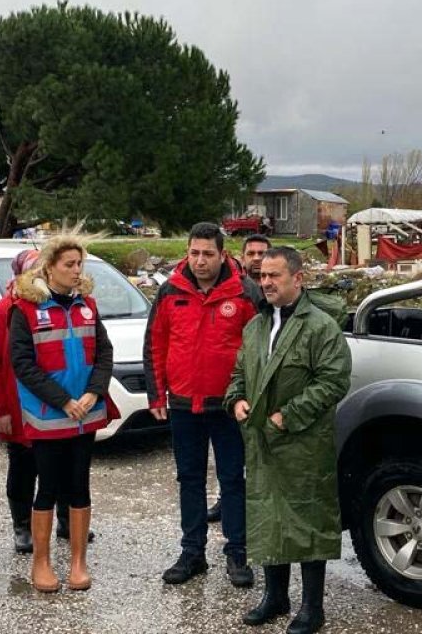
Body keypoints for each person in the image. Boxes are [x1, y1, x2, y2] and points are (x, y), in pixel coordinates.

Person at [226, 246, 352, 634]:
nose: (265, 283)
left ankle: (313, 608)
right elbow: (239, 373)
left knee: (308, 520)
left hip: (303, 444)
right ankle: (275, 596)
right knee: (268, 515)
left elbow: (333, 380)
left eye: (273, 276)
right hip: (262, 443)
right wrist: (237, 401)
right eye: (261, 276)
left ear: (297, 279)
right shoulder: (255, 326)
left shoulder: (320, 327)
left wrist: (288, 415)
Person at [144, 222, 260, 587]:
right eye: (194, 253)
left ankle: (237, 553)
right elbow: (155, 344)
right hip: (182, 404)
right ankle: (192, 552)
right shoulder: (169, 292)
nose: (200, 260)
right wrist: (155, 393)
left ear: (223, 255)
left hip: (229, 406)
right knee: (189, 479)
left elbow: (258, 351)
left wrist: (249, 397)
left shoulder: (245, 292)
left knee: (233, 481)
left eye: (208, 254)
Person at [9, 232, 118, 592]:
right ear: (50, 267)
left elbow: (104, 353)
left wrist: (92, 392)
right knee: (48, 486)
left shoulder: (87, 304)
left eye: (79, 264)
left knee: (80, 485)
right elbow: (23, 365)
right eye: (69, 264)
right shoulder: (25, 309)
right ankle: (41, 564)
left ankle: (77, 563)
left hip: (84, 413)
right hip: (48, 414)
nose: (76, 270)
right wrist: (63, 400)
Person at [0, 249, 93, 555]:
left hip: (60, 404)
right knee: (22, 468)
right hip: (19, 403)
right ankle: (22, 525)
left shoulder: (63, 305)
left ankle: (66, 519)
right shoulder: (3, 310)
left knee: (60, 468)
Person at [206, 232, 273, 524]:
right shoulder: (237, 289)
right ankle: (226, 500)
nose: (257, 258)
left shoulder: (275, 291)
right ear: (242, 257)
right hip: (235, 387)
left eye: (263, 253)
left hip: (264, 384)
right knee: (230, 454)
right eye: (252, 253)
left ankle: (261, 502)